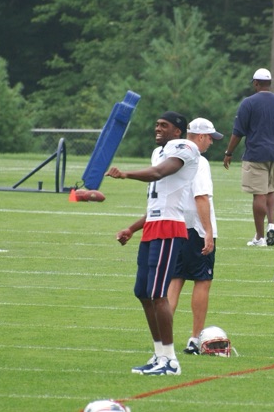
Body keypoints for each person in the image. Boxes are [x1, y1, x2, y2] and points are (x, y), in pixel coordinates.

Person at [106, 111, 200, 376]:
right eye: (156, 124)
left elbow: (158, 173)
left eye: (164, 125)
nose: (157, 128)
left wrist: (125, 174)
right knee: (143, 293)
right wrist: (132, 228)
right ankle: (159, 355)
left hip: (170, 227)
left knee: (159, 294)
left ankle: (171, 361)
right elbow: (156, 204)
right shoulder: (158, 152)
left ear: (178, 131)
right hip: (153, 226)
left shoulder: (185, 147)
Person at [167, 118, 223, 355]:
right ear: (200, 137)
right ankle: (194, 338)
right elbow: (201, 197)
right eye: (210, 137)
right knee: (202, 280)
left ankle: (164, 339)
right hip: (195, 228)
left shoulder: (172, 154)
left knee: (175, 281)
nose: (211, 142)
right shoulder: (199, 160)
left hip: (174, 223)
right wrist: (208, 231)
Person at [222, 68, 274, 247]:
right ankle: (271, 224)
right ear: (270, 83)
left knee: (259, 194)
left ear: (255, 83)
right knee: (271, 190)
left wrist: (228, 153)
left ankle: (260, 237)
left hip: (257, 153)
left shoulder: (248, 103)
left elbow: (238, 132)